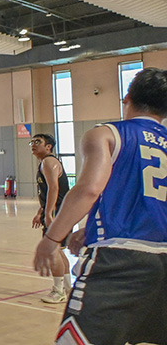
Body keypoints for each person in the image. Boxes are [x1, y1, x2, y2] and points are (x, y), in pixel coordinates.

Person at [34, 68, 167, 345]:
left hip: (120, 259)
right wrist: (91, 226)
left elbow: (89, 189)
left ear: (127, 97)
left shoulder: (106, 134)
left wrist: (52, 238)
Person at [30, 133, 71, 304]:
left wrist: (48, 214)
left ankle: (58, 291)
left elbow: (54, 188)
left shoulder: (49, 162)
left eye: (37, 142)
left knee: (53, 250)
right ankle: (67, 288)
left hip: (58, 212)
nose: (33, 144)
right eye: (32, 142)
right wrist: (41, 211)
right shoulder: (45, 163)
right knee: (58, 250)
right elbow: (48, 192)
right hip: (61, 211)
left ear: (48, 147)